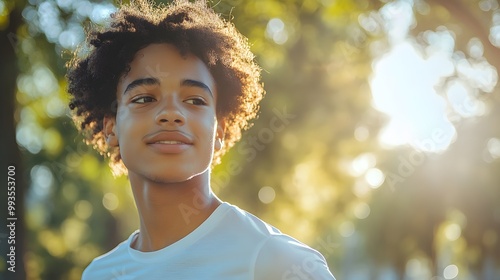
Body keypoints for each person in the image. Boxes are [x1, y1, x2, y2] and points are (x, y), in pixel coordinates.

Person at [67, 0, 335, 279]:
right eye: (145, 98)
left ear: (219, 130)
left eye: (195, 100)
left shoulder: (275, 262)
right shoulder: (99, 274)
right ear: (111, 129)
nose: (171, 114)